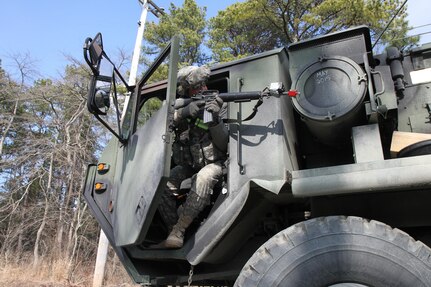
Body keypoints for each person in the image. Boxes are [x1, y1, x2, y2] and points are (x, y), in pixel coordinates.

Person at [157, 65, 228, 249]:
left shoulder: (220, 105)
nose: (203, 89)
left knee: (203, 177)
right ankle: (174, 229)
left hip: (216, 163)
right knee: (162, 183)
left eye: (204, 85)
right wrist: (184, 112)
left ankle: (179, 230)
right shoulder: (180, 106)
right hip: (189, 165)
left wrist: (215, 120)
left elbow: (224, 145)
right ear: (187, 90)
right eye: (197, 87)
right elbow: (158, 126)